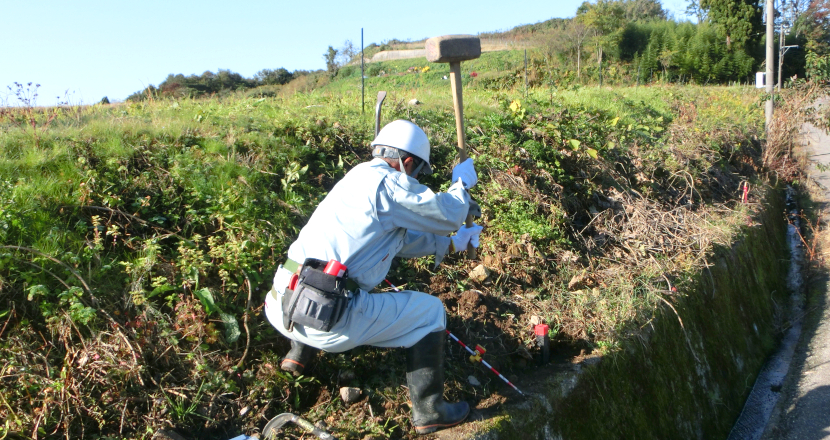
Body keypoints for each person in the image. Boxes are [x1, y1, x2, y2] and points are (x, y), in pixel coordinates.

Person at [263, 119, 483, 435]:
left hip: (283, 302)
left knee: (321, 273)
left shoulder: (356, 180)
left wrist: (450, 242)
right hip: (329, 317)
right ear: (408, 162)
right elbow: (446, 212)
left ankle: (298, 356)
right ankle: (430, 411)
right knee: (431, 313)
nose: (418, 179)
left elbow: (398, 240)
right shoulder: (388, 184)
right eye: (418, 172)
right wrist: (460, 187)